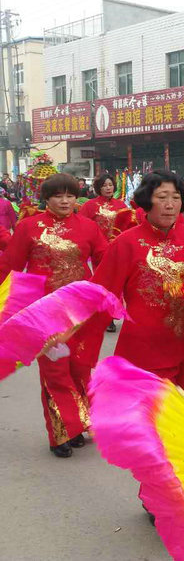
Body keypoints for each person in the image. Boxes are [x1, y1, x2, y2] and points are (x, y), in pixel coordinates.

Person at [91, 171, 184, 403]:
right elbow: (101, 293)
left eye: (175, 198)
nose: (170, 205)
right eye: (162, 197)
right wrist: (68, 330)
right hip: (147, 344)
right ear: (147, 200)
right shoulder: (127, 242)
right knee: (153, 414)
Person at [0, 173, 109, 458]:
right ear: (46, 198)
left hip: (82, 313)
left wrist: (111, 296)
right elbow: (9, 266)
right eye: (58, 195)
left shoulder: (88, 227)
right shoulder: (28, 227)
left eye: (70, 195)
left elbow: (106, 262)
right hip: (45, 315)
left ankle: (78, 425)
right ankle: (60, 433)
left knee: (80, 369)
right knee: (55, 373)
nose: (65, 201)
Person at [79, 173, 129, 240]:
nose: (108, 188)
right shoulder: (89, 205)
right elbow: (81, 224)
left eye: (110, 185)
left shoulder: (121, 205)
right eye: (104, 186)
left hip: (117, 243)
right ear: (99, 188)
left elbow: (127, 225)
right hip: (96, 243)